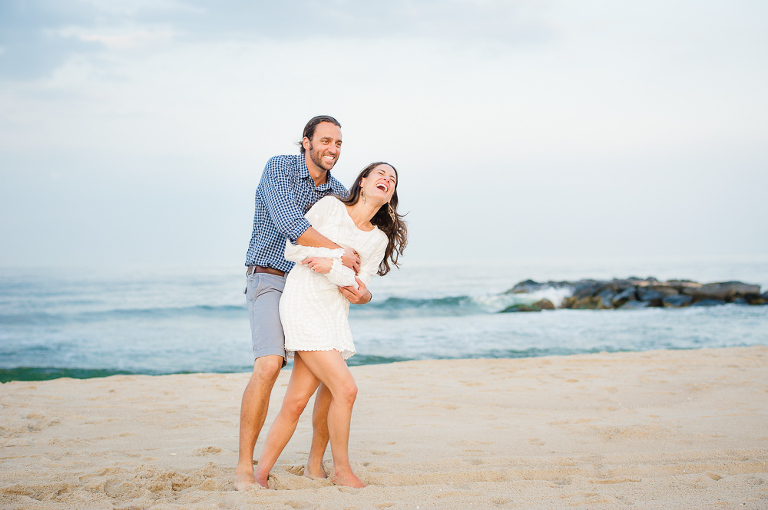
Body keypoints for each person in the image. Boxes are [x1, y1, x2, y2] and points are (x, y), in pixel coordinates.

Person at [235, 116, 373, 492]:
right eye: (326, 140)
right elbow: (290, 223)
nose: (332, 148)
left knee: (329, 377)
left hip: (313, 288)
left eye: (339, 143)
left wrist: (361, 285)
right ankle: (245, 467)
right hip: (270, 276)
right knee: (268, 364)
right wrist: (339, 250)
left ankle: (315, 464)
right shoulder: (279, 167)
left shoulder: (339, 192)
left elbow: (359, 238)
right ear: (306, 142)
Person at [253, 162, 407, 489]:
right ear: (362, 181)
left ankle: (261, 474)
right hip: (303, 303)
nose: (386, 180)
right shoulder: (330, 207)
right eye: (380, 174)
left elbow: (357, 284)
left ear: (390, 193)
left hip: (335, 314)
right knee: (346, 389)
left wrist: (353, 284)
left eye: (392, 179)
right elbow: (293, 248)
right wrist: (337, 258)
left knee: (297, 401)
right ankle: (341, 470)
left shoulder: (378, 239)